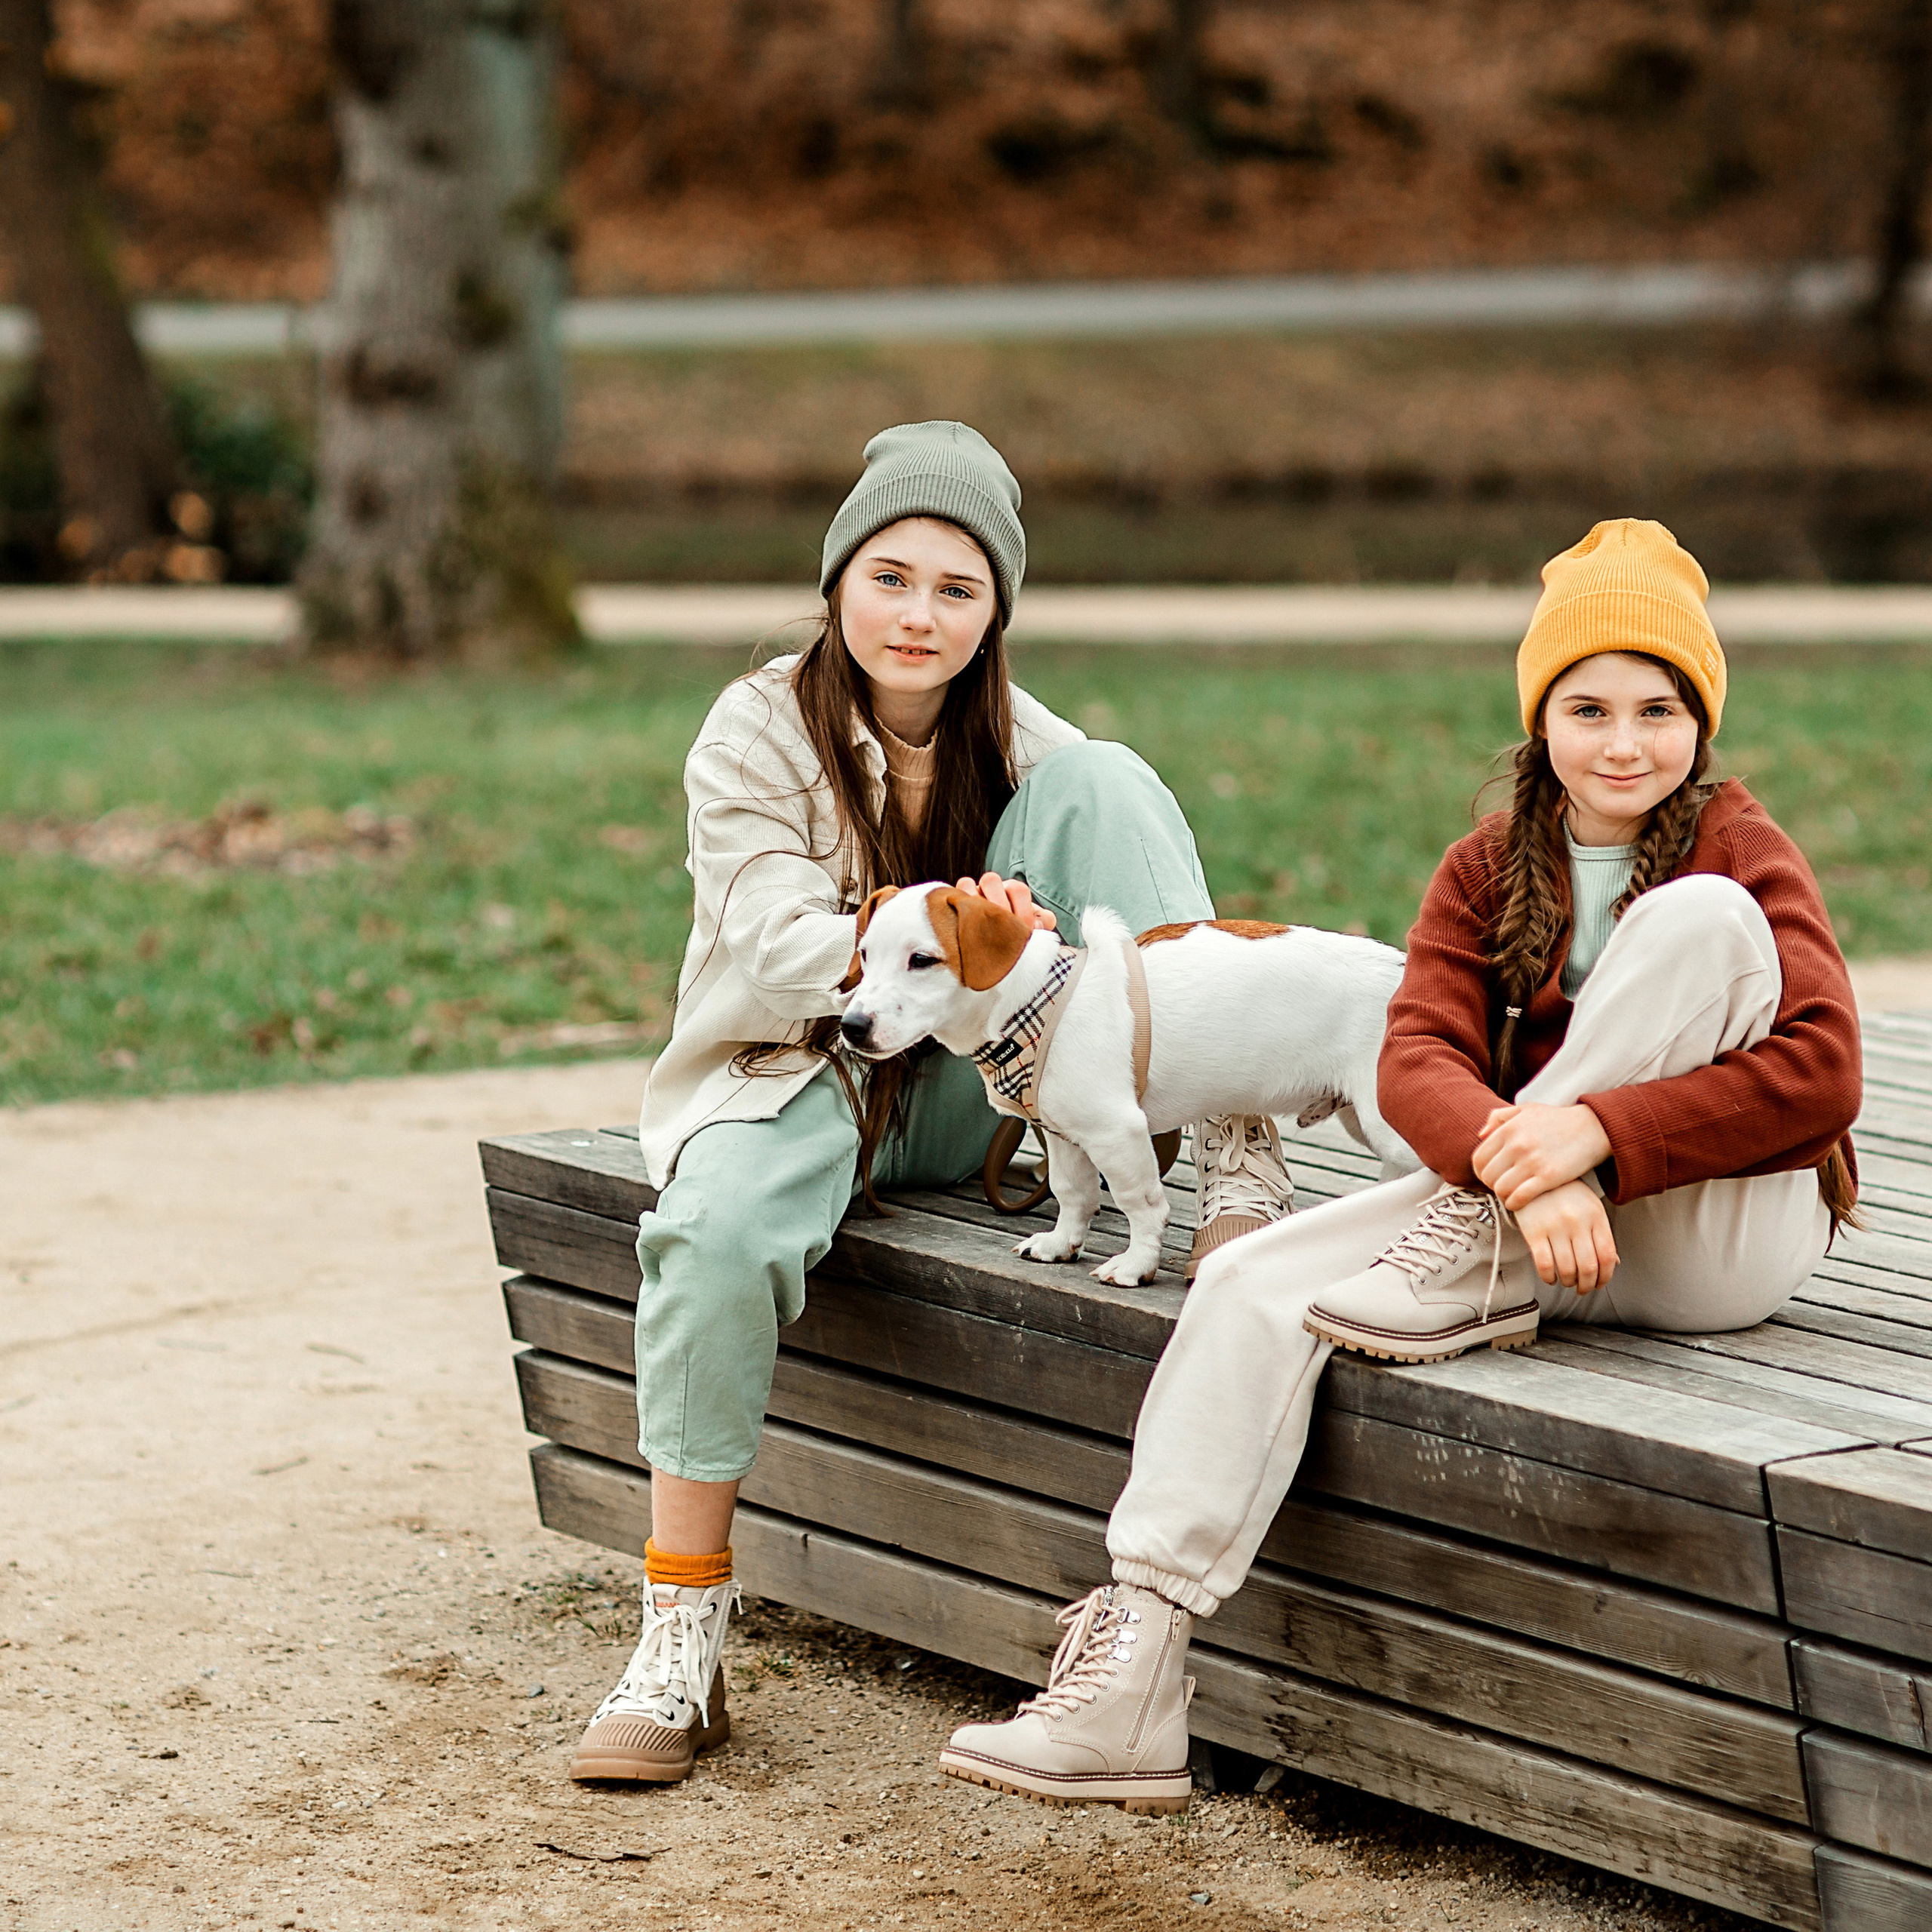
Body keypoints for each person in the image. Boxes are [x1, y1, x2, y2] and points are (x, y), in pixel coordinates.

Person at [937, 518, 1863, 1814]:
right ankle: (1134, 1675)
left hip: (1715, 1237)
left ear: (1700, 722)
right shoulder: (1484, 871)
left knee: (1696, 923)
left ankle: (1484, 1236)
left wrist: (1587, 1140)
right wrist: (1525, 1173)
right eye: (1588, 707)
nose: (1623, 742)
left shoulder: (1737, 849)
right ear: (1542, 720)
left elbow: (1824, 1071)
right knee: (1250, 1277)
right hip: (1527, 1234)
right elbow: (1416, 1053)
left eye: (1659, 709)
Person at [570, 420, 1292, 1784]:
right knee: (711, 1239)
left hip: (980, 1095)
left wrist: (1022, 957)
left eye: (959, 590)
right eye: (891, 576)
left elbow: (1103, 925)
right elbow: (769, 938)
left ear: (995, 614)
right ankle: (679, 1637)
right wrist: (943, 930)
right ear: (840, 579)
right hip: (809, 1068)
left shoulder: (1028, 742)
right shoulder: (755, 728)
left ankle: (1240, 1139)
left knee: (1114, 780)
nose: (920, 613)